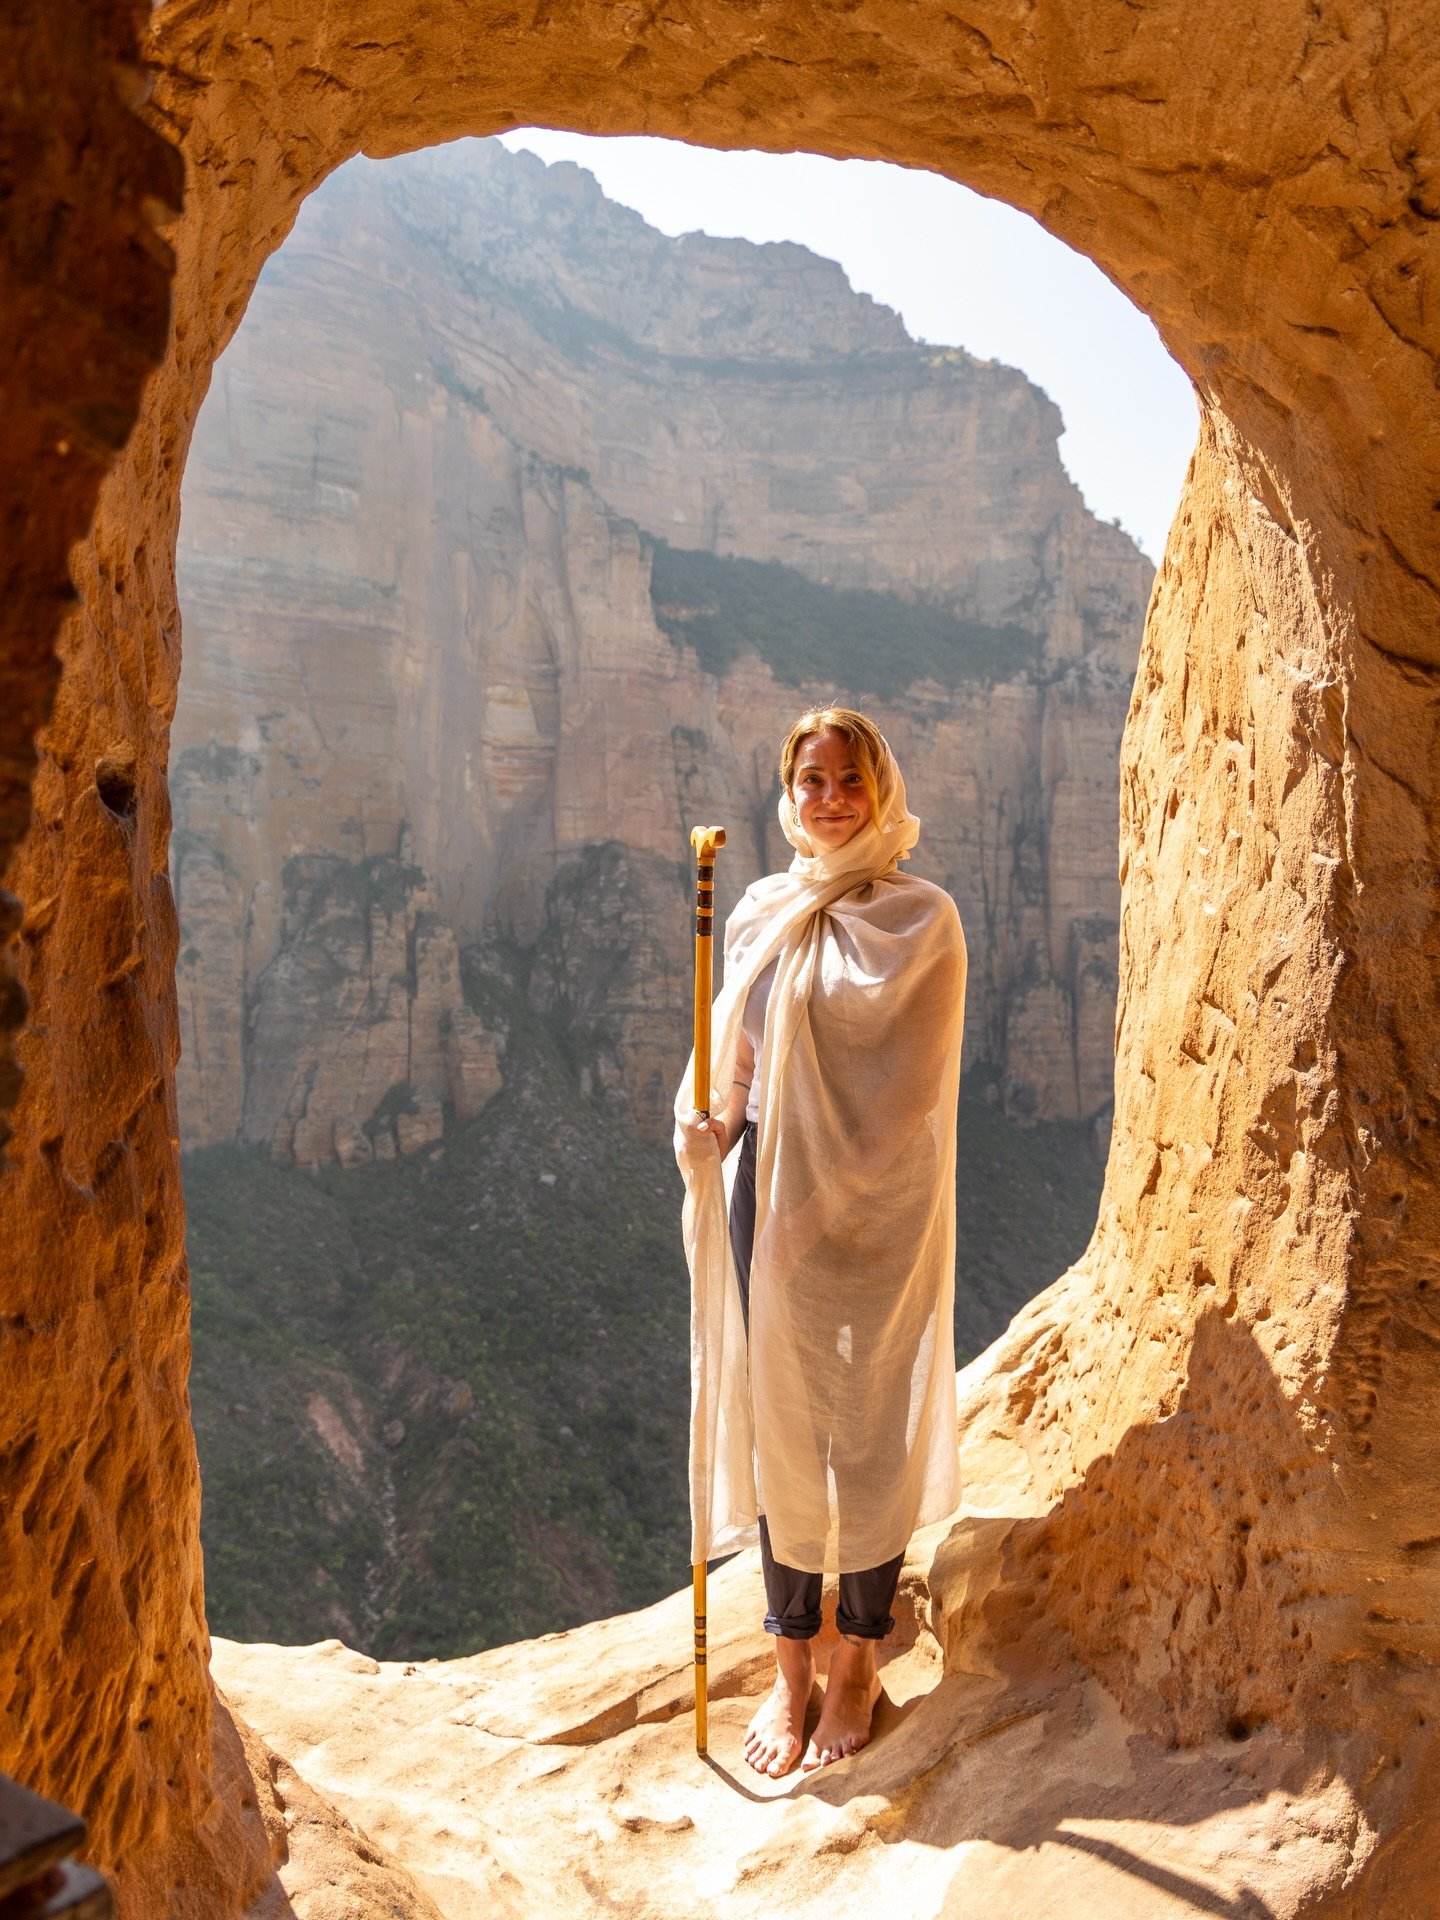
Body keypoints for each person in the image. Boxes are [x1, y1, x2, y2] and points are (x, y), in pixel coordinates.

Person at [676, 706, 967, 1777]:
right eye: (812, 780)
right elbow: (738, 1066)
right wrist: (712, 1130)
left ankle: (862, 1658)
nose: (831, 797)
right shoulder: (762, 910)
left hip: (875, 1220)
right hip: (770, 1201)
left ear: (880, 791)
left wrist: (805, 1222)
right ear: (788, 794)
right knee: (781, 1428)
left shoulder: (921, 918)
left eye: (851, 779)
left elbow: (905, 1107)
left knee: (870, 1422)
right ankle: (794, 1667)